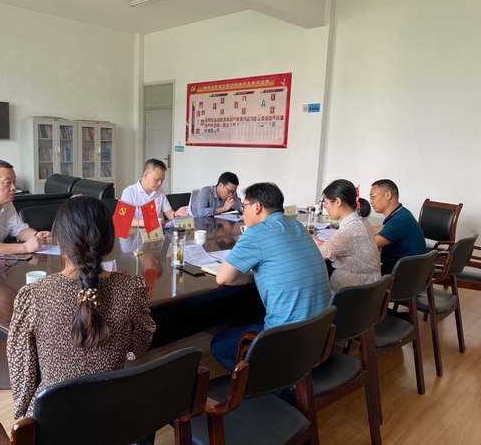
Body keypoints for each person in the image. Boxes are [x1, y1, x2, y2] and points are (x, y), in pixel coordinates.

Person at [7, 196, 156, 419]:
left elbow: (22, 375)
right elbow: (140, 346)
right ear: (109, 239)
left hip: (52, 421)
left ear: (60, 241)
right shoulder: (132, 288)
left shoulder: (34, 295)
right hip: (113, 416)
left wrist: (23, 413)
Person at [212, 182, 331, 371]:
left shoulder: (256, 232)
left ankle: (270, 381)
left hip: (286, 336)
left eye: (244, 207)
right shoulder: (297, 225)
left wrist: (252, 273)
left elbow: (223, 278)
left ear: (257, 207)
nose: (243, 213)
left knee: (218, 345)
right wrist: (261, 273)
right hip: (320, 331)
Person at [313, 179, 381, 293]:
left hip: (352, 292)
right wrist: (322, 244)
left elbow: (318, 255)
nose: (326, 208)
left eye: (326, 203)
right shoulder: (360, 220)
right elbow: (338, 246)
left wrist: (309, 241)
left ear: (337, 202)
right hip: (370, 288)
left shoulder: (349, 230)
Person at [369, 179, 426, 275]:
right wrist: (355, 230)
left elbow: (370, 245)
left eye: (373, 197)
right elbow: (382, 228)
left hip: (400, 276)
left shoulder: (400, 220)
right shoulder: (401, 213)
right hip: (408, 272)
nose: (370, 201)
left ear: (388, 195)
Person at [120, 158, 187, 226]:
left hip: (158, 231)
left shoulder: (160, 191)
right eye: (156, 179)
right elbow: (125, 219)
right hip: (137, 231)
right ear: (145, 175)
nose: (160, 183)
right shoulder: (129, 192)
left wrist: (176, 213)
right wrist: (150, 223)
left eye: (162, 180)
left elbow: (170, 215)